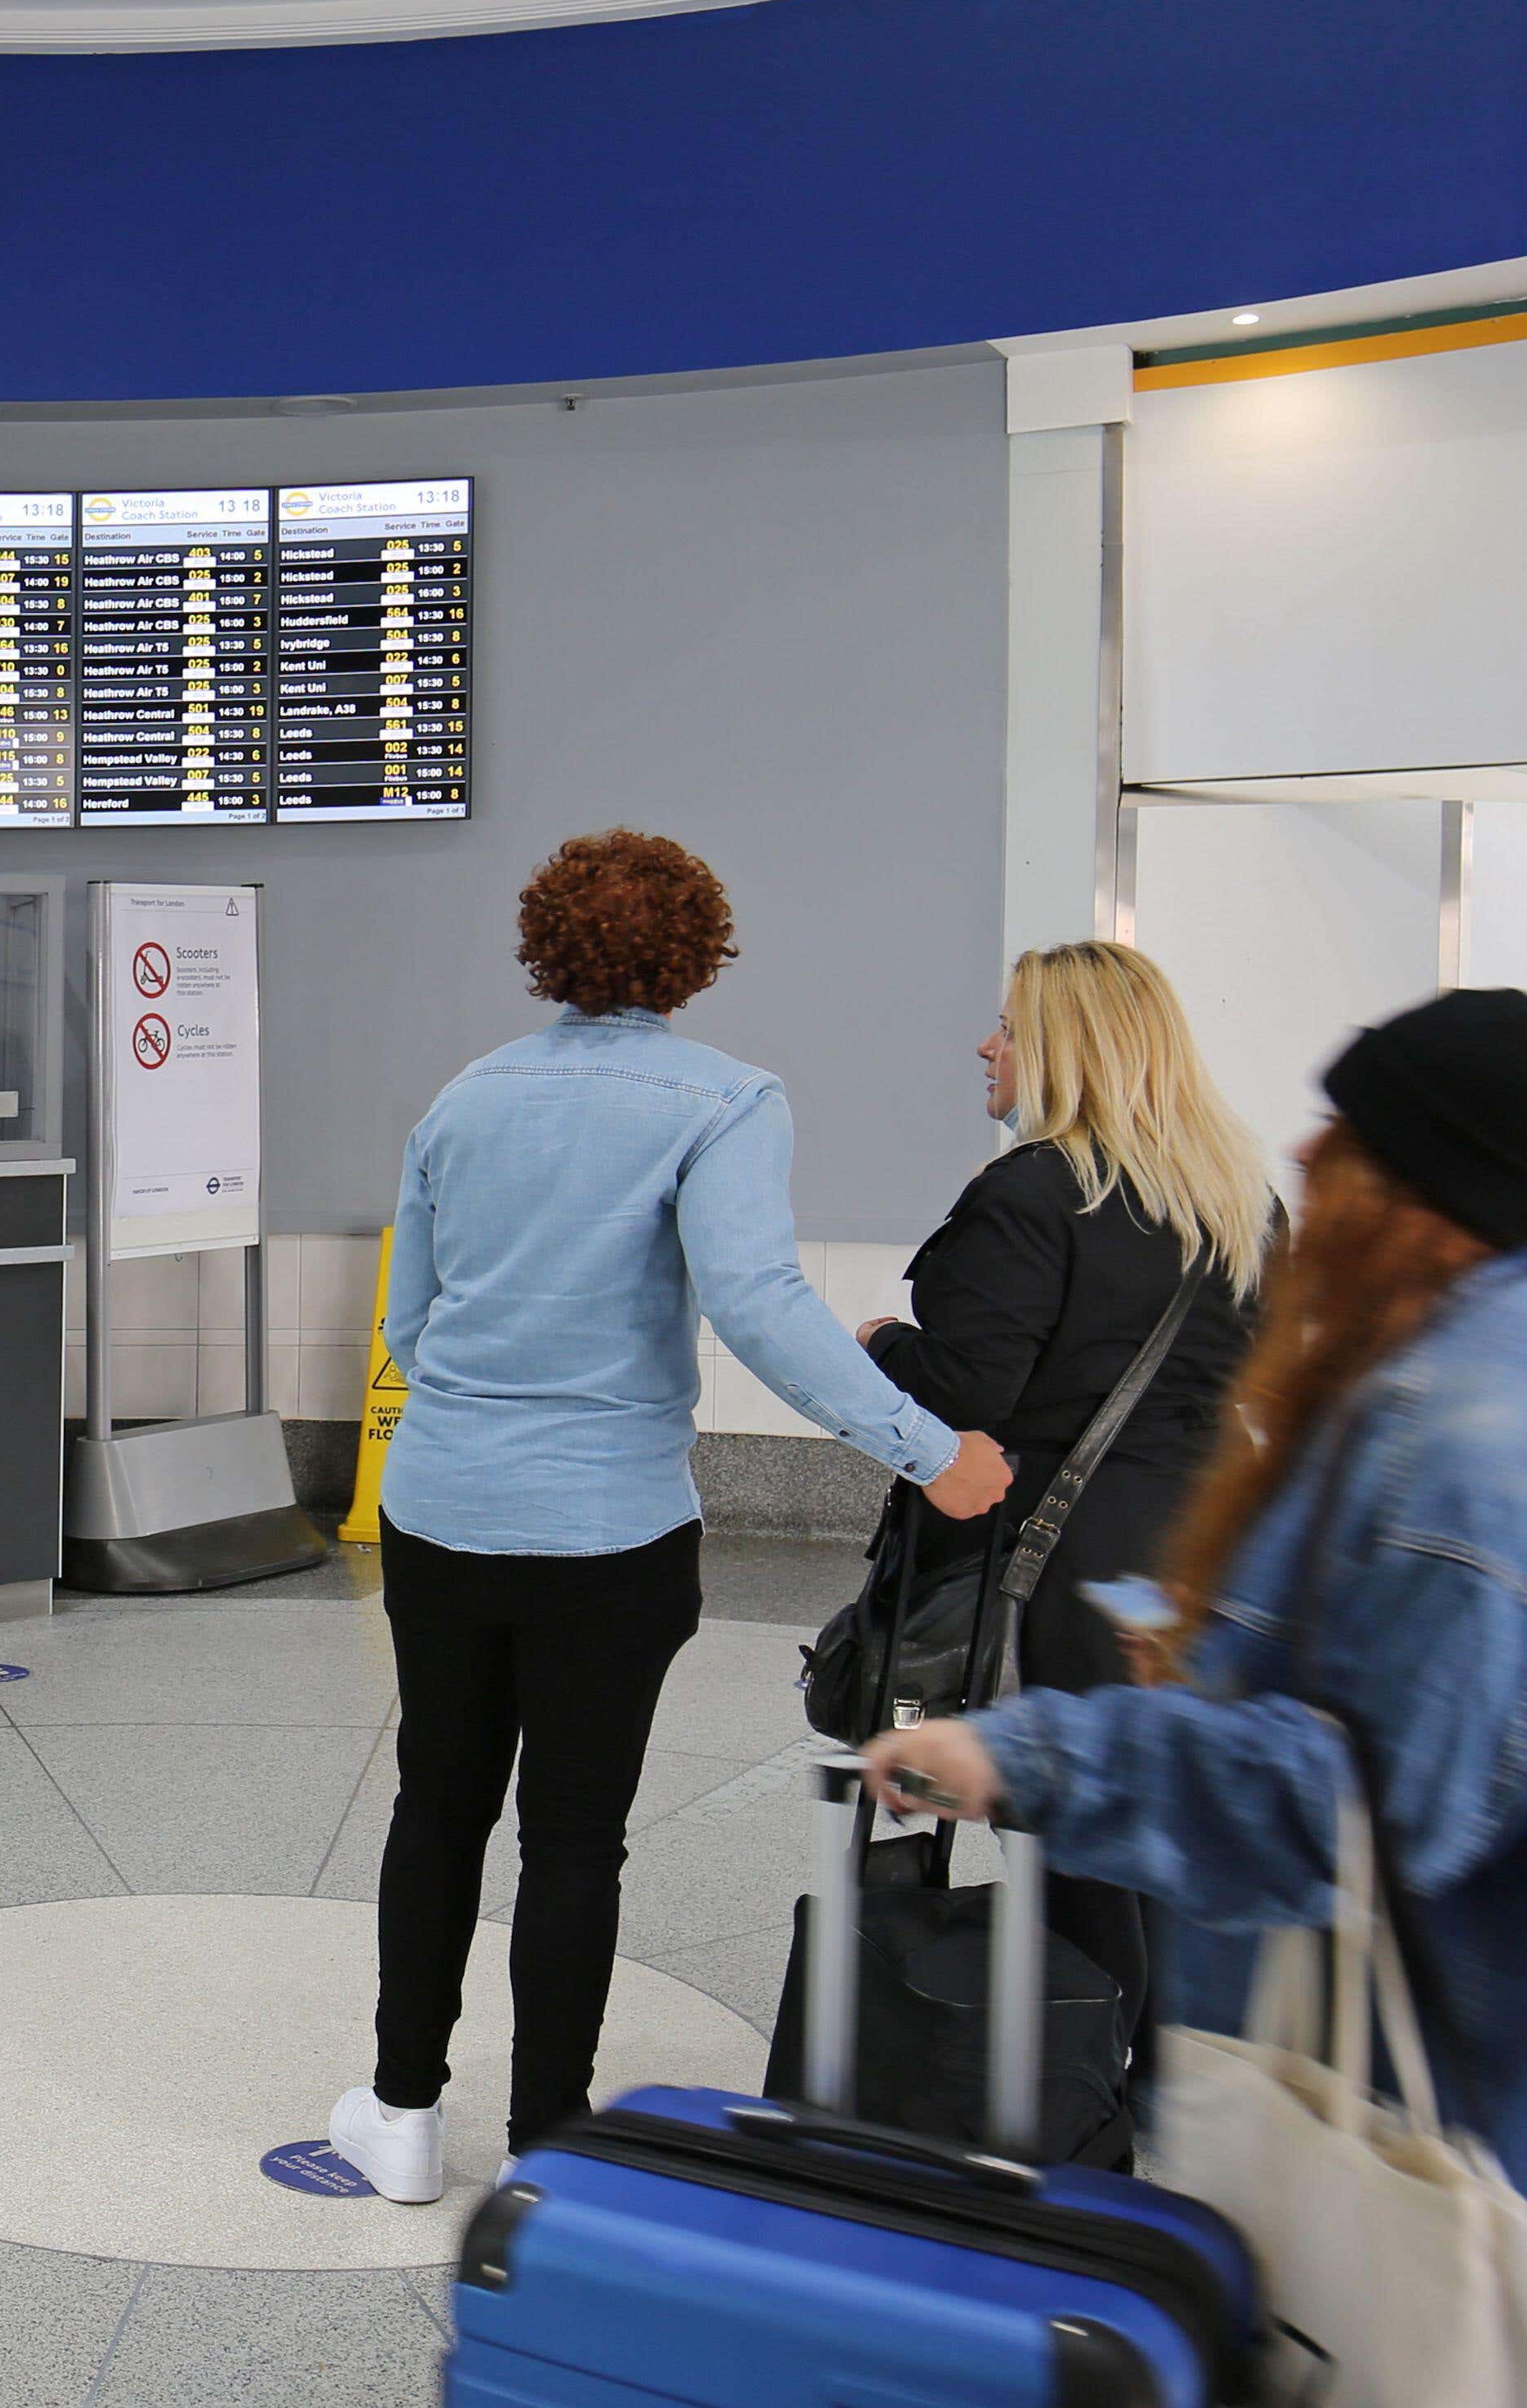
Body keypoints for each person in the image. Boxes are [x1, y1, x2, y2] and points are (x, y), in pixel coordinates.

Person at [860, 988, 1527, 2402]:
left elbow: (1369, 1798)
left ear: (1414, 1183)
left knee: (1444, 2339)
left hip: (1433, 2075)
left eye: (1346, 1132)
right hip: (1456, 2045)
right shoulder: (1486, 1357)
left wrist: (1029, 1755)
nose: (1306, 1157)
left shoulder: (1472, 1432)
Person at [326, 830, 1014, 2205]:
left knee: (436, 1804)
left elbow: (407, 1317)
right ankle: (544, 2141)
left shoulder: (464, 1098)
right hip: (605, 1529)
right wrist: (925, 1451)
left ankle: (401, 2114)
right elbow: (754, 1304)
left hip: (441, 1512)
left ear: (545, 946)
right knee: (573, 1836)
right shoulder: (722, 1100)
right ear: (696, 954)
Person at [850, 939, 1276, 2112]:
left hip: (1067, 1559)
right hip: (1200, 1555)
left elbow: (972, 1389)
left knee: (1081, 1839)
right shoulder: (1237, 1198)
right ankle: (1186, 2080)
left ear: (1068, 1048)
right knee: (1163, 1831)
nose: (985, 1045)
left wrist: (883, 1345)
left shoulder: (1035, 1193)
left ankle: (1097, 2101)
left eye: (1008, 1025)